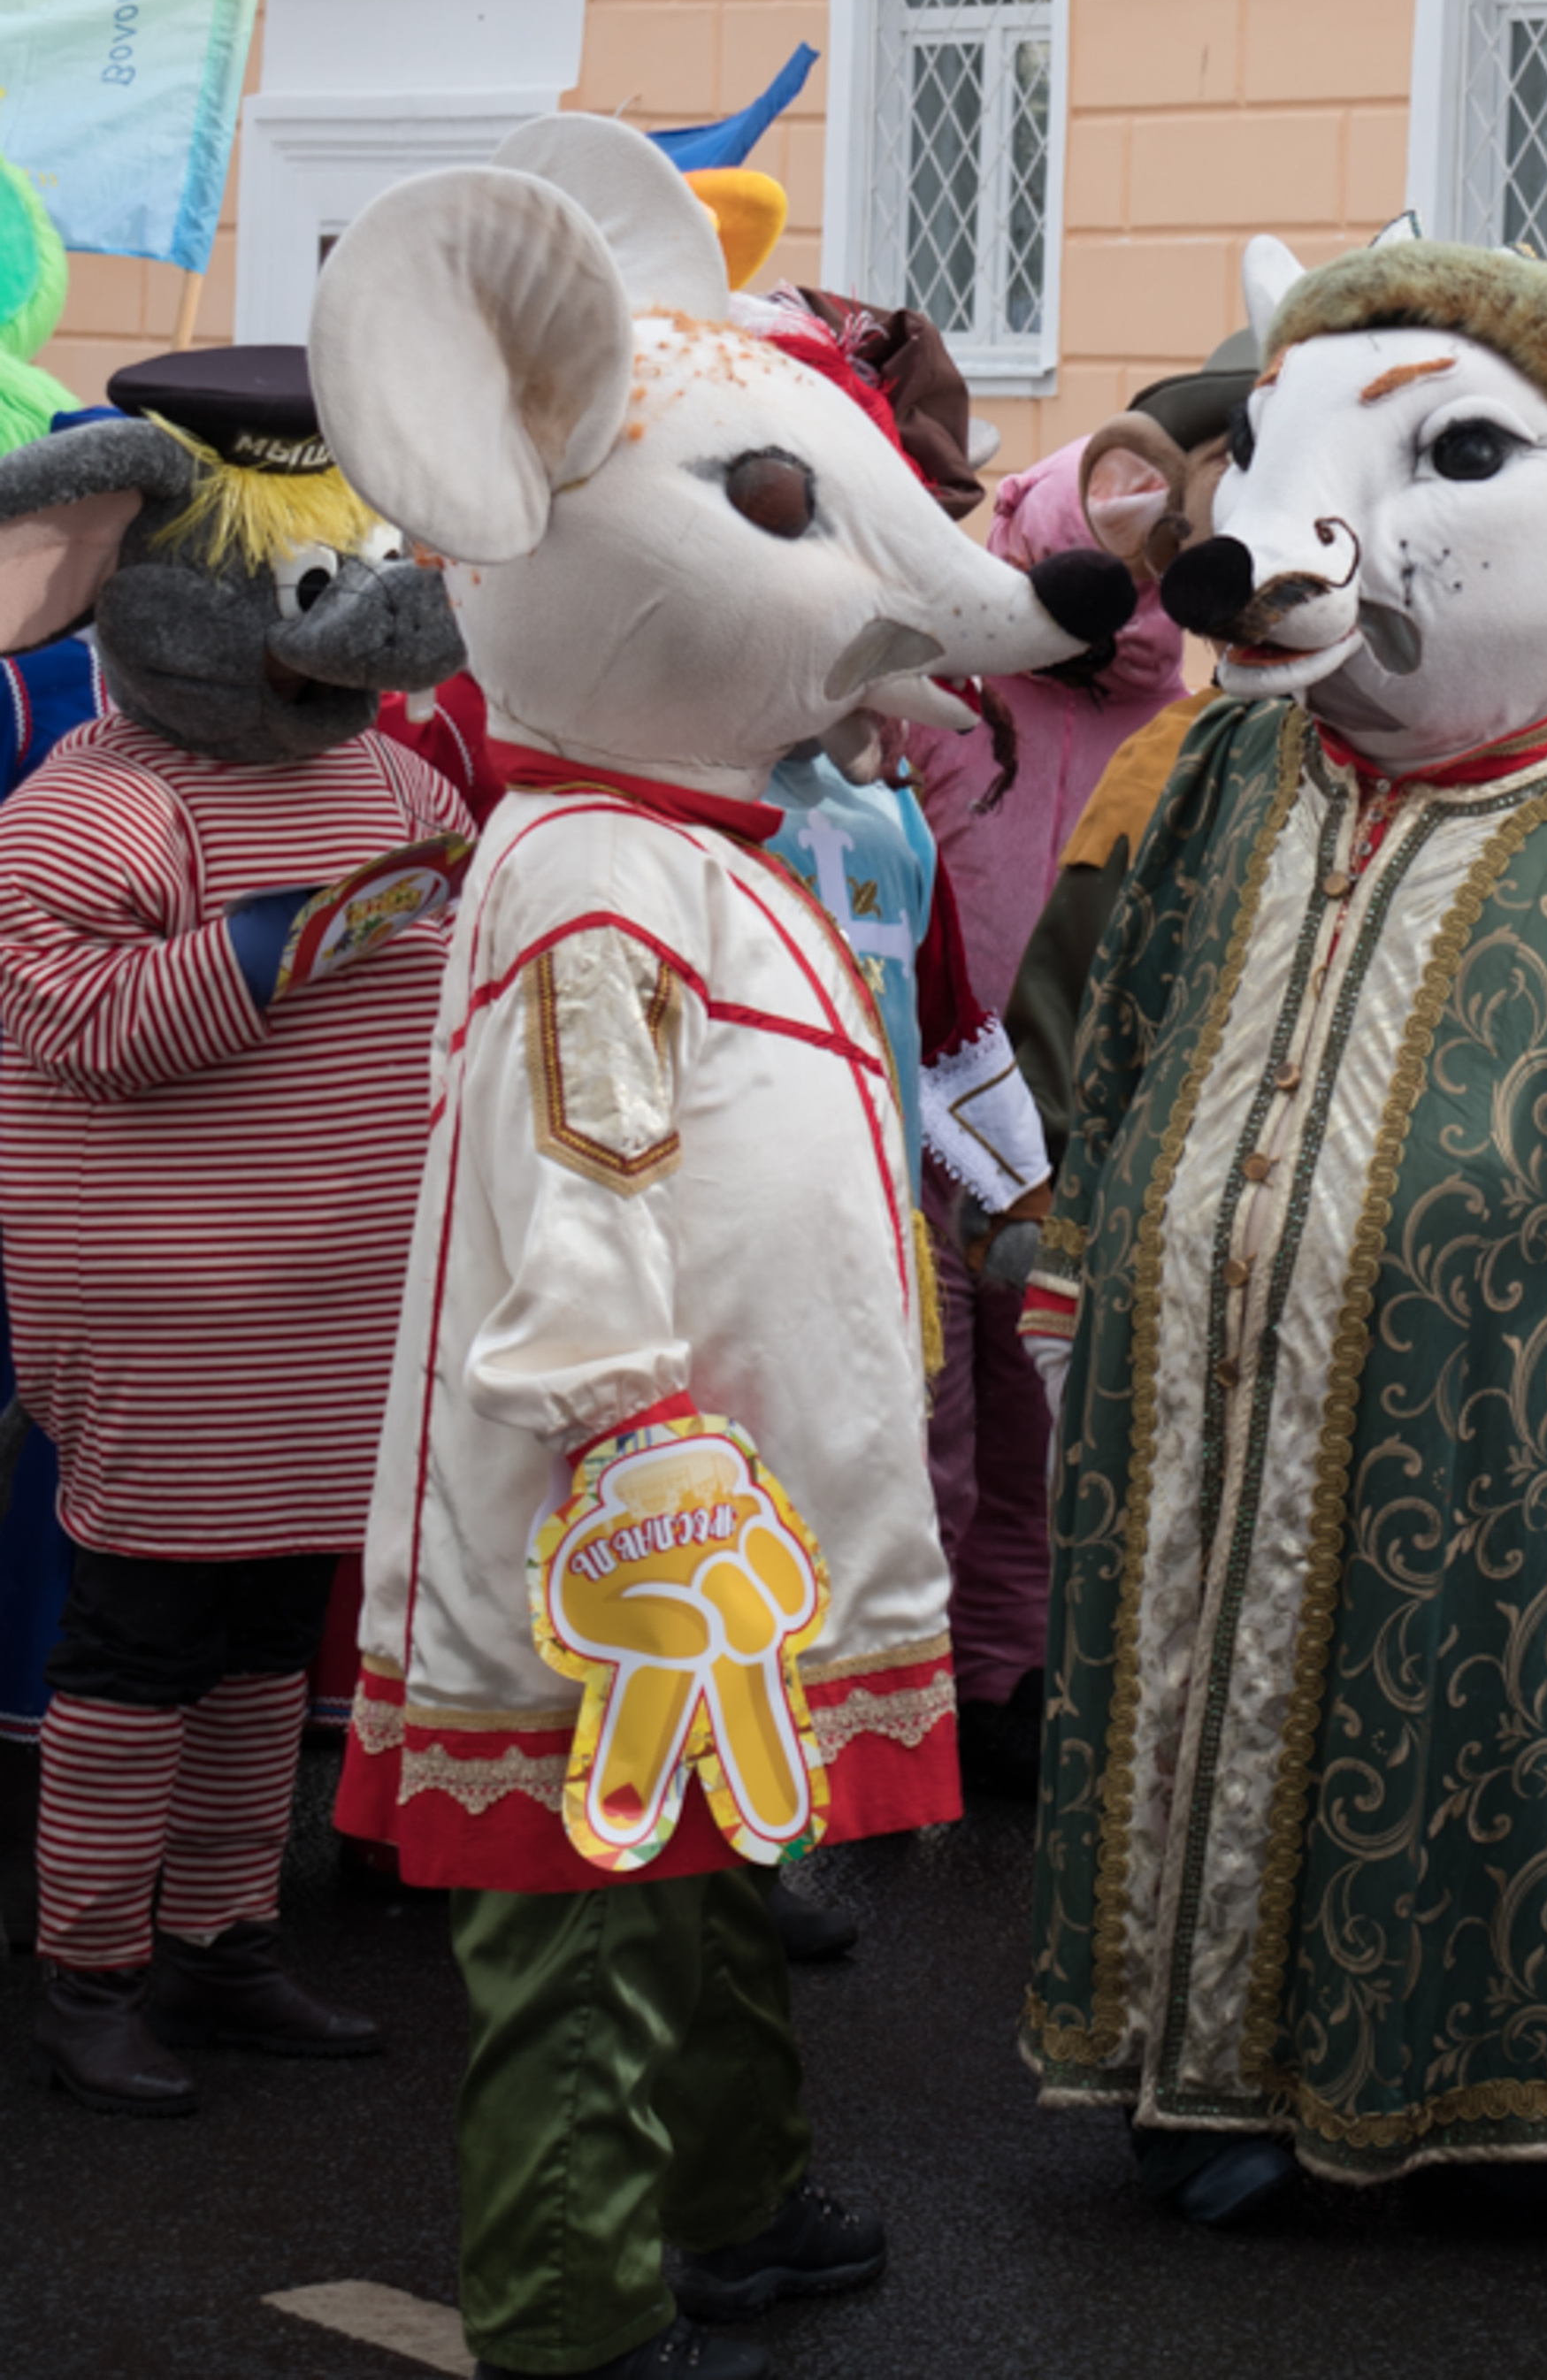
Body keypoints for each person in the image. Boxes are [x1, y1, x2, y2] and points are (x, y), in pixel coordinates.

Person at [313, 116, 1126, 2380]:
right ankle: (570, 2306)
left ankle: (738, 2198)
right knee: (584, 1910)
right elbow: (572, 1186)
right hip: (634, 1512)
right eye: (788, 518)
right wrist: (631, 1426)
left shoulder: (728, 839)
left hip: (736, 1513)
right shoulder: (591, 872)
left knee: (719, 1873)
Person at [1020, 234, 1547, 2218]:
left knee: (1473, 1726)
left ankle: (1493, 2090)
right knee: (1205, 1695)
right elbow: (1133, 1022)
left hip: (1482, 1410)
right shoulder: (1228, 774)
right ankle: (1213, 2075)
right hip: (1188, 1394)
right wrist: (1084, 1243)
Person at [0, 347, 467, 2112]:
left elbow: (454, 974)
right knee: (137, 1646)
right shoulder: (91, 806)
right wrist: (282, 946)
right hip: (172, 1317)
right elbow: (88, 1032)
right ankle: (90, 1961)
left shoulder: (399, 783)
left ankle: (221, 1939)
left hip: (344, 1310)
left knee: (275, 1633)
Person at [902, 433, 1186, 1792]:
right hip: (921, 1111)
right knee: (927, 1418)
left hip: (1075, 1125)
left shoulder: (1171, 720)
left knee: (1042, 1423)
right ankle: (899, 1693)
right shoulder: (946, 695)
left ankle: (1004, 1681)